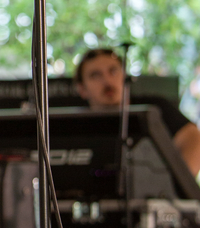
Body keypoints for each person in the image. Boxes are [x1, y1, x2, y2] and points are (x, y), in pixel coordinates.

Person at [75, 48, 200, 177]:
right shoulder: (77, 123)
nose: (107, 81)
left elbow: (193, 138)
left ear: (125, 77)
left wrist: (177, 184)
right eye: (95, 75)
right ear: (82, 89)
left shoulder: (154, 108)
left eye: (113, 71)